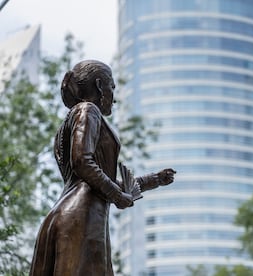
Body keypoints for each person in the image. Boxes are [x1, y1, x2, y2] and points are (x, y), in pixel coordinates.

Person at [29, 60, 175, 276]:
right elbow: (82, 161)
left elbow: (96, 177)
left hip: (66, 214)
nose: (114, 97)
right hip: (83, 217)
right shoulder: (89, 110)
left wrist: (154, 180)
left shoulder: (69, 122)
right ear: (99, 86)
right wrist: (116, 195)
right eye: (112, 87)